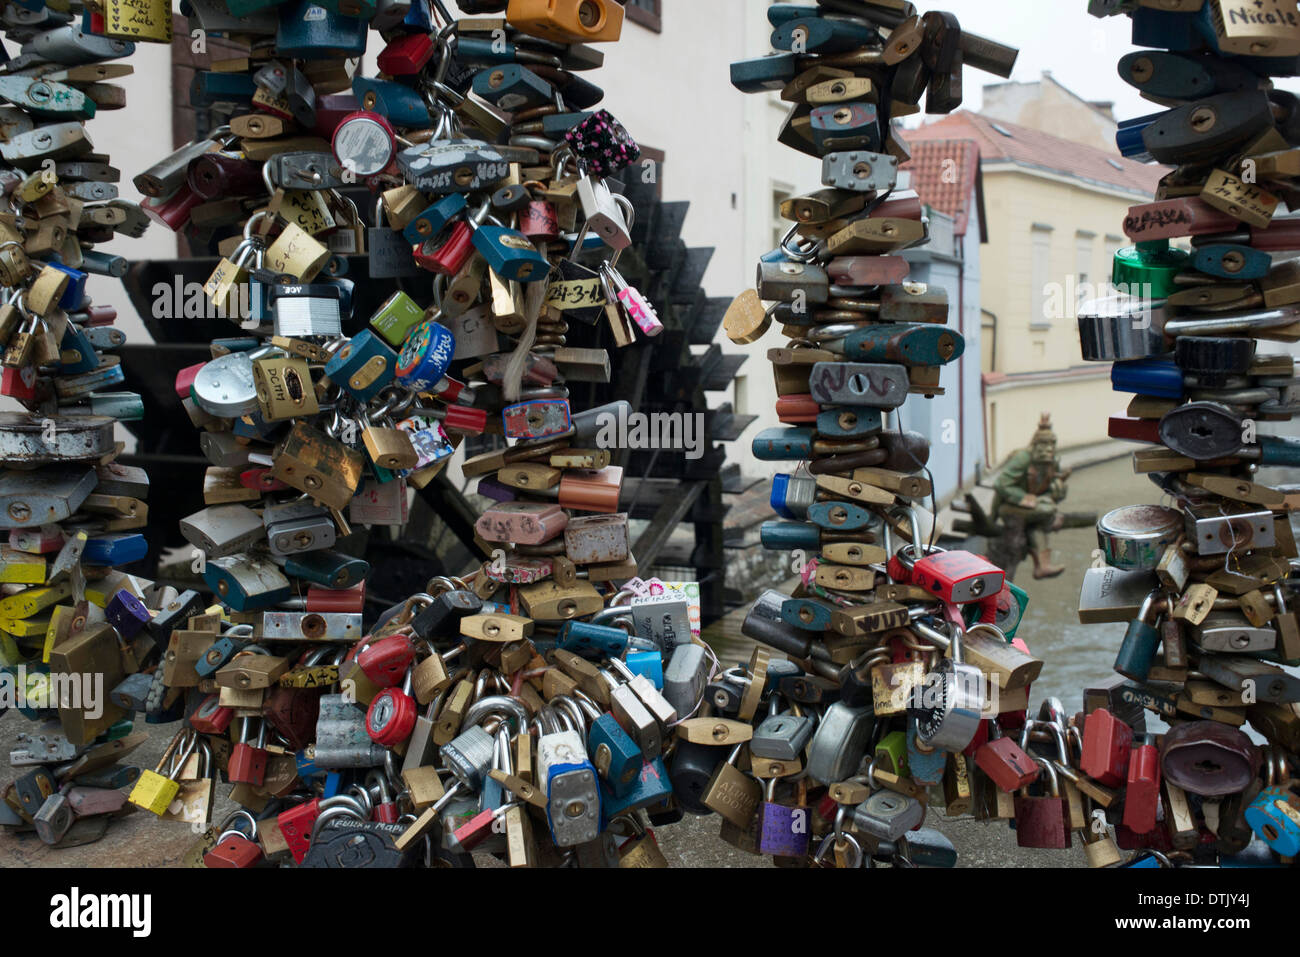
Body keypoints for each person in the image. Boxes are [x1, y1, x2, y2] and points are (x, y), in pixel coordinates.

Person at [992, 414, 1071, 579]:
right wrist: (1029, 499)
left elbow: (1047, 490)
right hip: (1010, 506)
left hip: (1031, 508)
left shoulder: (1052, 461)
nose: (1048, 449)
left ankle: (1043, 565)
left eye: (1051, 444)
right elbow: (1001, 484)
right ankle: (1040, 562)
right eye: (1043, 444)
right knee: (1046, 511)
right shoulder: (1023, 458)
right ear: (1035, 445)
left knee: (1038, 521)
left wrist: (1057, 488)